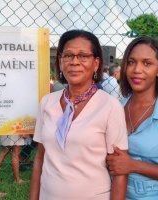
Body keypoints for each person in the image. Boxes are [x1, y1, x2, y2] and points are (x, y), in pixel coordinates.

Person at [30, 30, 128, 200]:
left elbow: (120, 170)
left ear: (96, 63)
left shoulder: (110, 106)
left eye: (83, 56)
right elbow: (40, 158)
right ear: (60, 62)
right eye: (68, 55)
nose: (74, 62)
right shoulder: (47, 103)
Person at [106, 37, 158, 199]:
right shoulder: (115, 109)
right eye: (131, 62)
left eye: (147, 63)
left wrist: (133, 165)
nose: (137, 69)